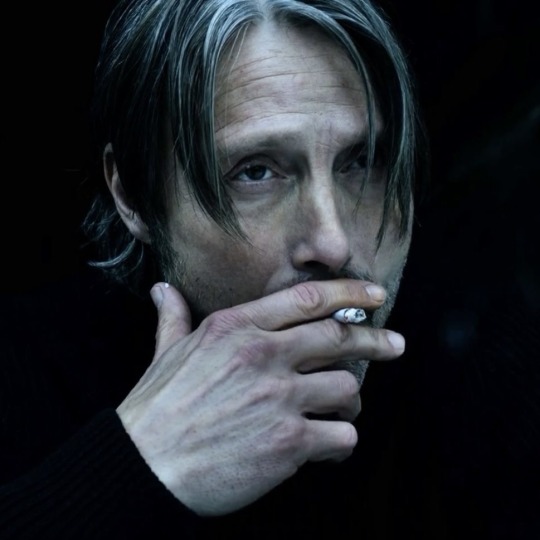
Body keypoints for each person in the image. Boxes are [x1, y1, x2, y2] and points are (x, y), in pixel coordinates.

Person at [0, 0, 427, 537]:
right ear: (133, 195)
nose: (333, 243)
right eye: (256, 172)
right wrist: (139, 463)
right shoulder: (22, 376)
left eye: (362, 162)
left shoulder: (471, 375)